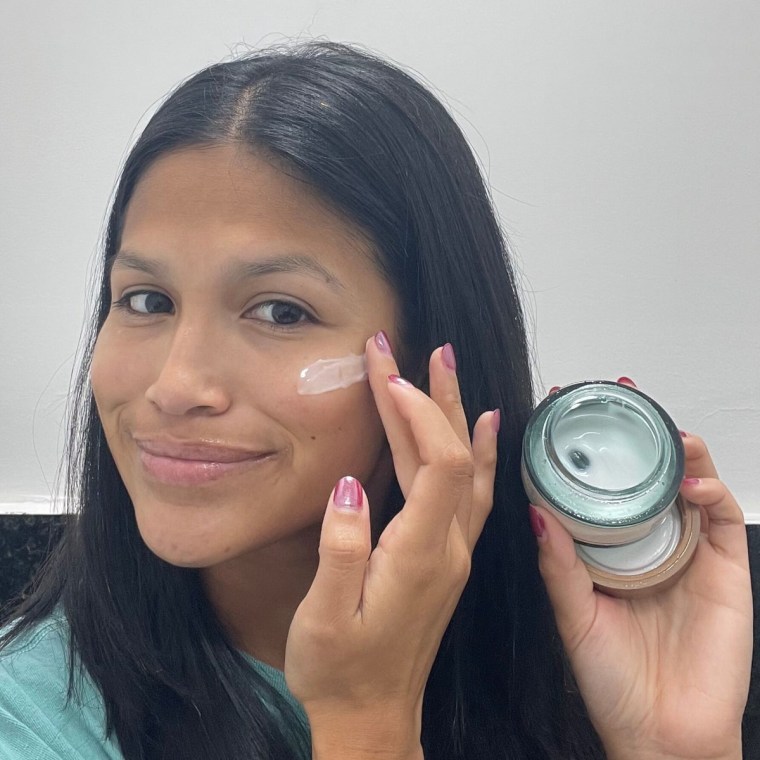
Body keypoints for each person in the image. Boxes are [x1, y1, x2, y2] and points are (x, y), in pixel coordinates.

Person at [0, 41, 752, 760]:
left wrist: (671, 749)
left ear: (431, 358)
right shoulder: (27, 718)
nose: (174, 385)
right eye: (145, 299)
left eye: (280, 312)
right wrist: (366, 727)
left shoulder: (568, 648)